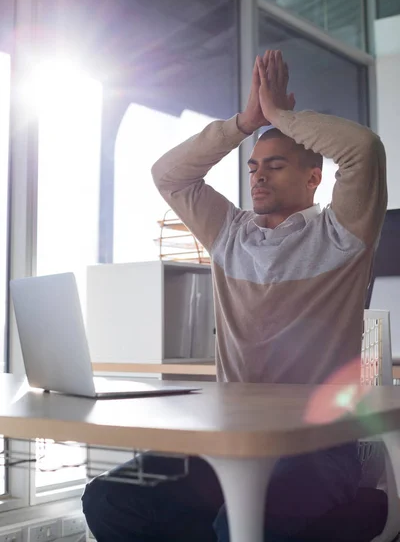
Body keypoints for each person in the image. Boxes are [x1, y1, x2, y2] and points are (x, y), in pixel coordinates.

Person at [82, 50, 387, 542]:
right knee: (110, 499)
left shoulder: (341, 234)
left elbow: (364, 150)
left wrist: (282, 116)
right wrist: (246, 122)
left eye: (277, 165)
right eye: (253, 167)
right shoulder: (231, 234)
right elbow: (169, 174)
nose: (258, 176)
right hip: (231, 439)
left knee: (239, 525)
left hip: (319, 446)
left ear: (314, 177)